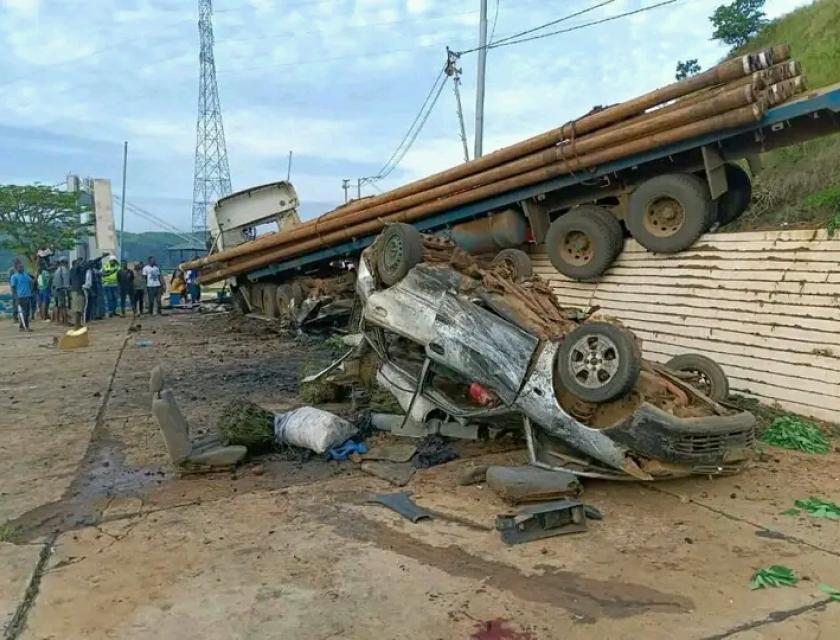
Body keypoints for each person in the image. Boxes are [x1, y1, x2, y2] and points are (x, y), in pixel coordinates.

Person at [10, 262, 34, 332]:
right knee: (23, 312)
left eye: (22, 267)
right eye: (20, 267)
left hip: (27, 296)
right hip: (20, 296)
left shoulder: (25, 275)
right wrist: (15, 297)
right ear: (16, 268)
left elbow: (32, 281)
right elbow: (13, 287)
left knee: (27, 312)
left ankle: (23, 326)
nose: (22, 268)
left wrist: (31, 290)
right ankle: (25, 326)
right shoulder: (14, 276)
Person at [51, 258, 70, 326]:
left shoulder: (57, 270)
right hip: (62, 289)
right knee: (63, 306)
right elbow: (66, 282)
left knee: (57, 306)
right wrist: (67, 289)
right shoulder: (64, 270)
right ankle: (65, 322)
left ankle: (58, 320)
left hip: (56, 290)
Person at [69, 258, 87, 329]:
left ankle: (78, 324)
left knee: (80, 309)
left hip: (78, 290)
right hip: (76, 291)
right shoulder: (73, 270)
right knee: (77, 309)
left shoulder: (79, 271)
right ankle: (77, 325)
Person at [8, 259, 22, 323]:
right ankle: (15, 318)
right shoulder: (12, 270)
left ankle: (19, 317)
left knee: (19, 304)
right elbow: (11, 281)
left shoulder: (18, 270)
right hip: (15, 290)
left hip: (20, 290)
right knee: (16, 304)